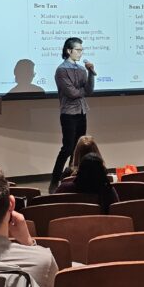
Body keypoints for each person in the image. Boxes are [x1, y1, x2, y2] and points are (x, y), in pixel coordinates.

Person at [49, 37, 95, 193]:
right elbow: (72, 93)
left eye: (82, 50)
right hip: (68, 113)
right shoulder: (61, 70)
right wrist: (81, 93)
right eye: (78, 50)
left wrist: (91, 73)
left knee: (79, 149)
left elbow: (88, 91)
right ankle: (55, 180)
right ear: (69, 51)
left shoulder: (82, 70)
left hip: (82, 112)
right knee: (67, 148)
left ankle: (70, 179)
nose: (81, 53)